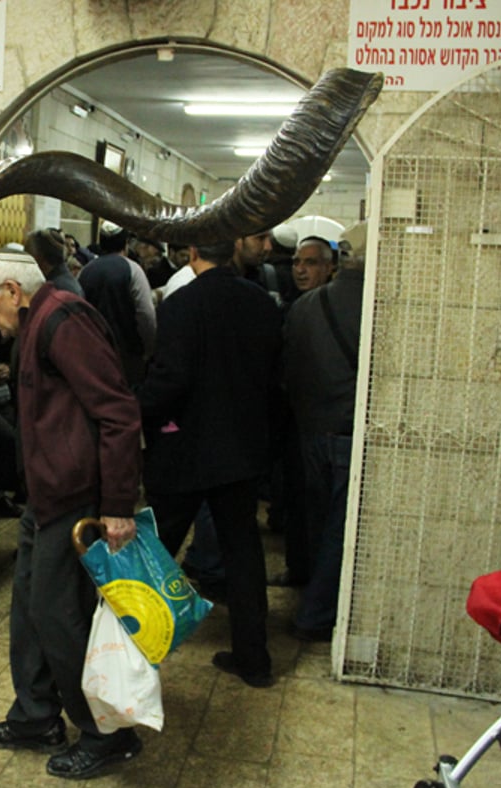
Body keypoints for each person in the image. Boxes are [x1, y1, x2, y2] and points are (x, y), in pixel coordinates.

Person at [0, 249, 144, 780]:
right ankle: (36, 716)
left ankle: (106, 733)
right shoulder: (39, 321)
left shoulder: (64, 320)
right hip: (44, 496)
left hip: (73, 498)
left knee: (58, 616)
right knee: (28, 608)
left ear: (11, 290)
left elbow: (117, 412)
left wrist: (116, 505)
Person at [138, 240, 282, 688]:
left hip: (186, 449)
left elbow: (171, 378)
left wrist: (139, 415)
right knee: (243, 553)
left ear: (193, 251)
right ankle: (253, 658)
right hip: (242, 450)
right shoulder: (260, 302)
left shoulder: (181, 304)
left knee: (157, 554)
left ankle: (137, 651)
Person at [281, 222, 366, 642]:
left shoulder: (304, 307)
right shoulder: (380, 306)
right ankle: (315, 614)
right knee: (340, 528)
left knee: (316, 521)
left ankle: (310, 592)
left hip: (310, 431)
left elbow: (289, 372)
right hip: (352, 434)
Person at [77, 222, 155, 388]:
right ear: (125, 244)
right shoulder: (133, 270)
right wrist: (148, 350)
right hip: (126, 358)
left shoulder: (86, 271)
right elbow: (146, 316)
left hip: (91, 355)